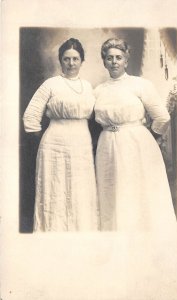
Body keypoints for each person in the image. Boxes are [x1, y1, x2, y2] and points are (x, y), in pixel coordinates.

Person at [94, 38, 177, 234]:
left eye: (118, 57)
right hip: (106, 146)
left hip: (136, 145)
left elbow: (162, 117)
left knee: (136, 194)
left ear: (126, 60)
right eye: (109, 58)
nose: (114, 61)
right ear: (104, 62)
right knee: (111, 194)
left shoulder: (140, 85)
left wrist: (149, 138)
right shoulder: (98, 90)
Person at [23, 38, 99, 232]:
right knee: (55, 190)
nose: (71, 63)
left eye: (75, 59)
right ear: (60, 60)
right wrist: (46, 143)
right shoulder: (51, 84)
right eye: (66, 59)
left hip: (82, 144)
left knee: (79, 191)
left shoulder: (88, 87)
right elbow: (30, 117)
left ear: (82, 60)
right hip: (54, 146)